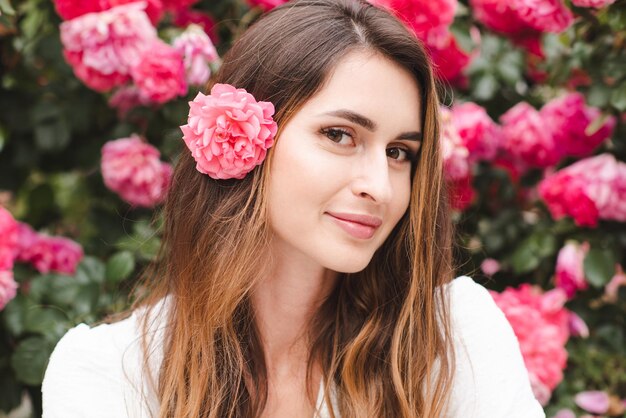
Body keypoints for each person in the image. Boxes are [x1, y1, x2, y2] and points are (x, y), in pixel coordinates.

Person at [41, 0, 546, 416]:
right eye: (340, 135)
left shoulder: (454, 337)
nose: (381, 187)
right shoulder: (111, 371)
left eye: (399, 153)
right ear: (244, 137)